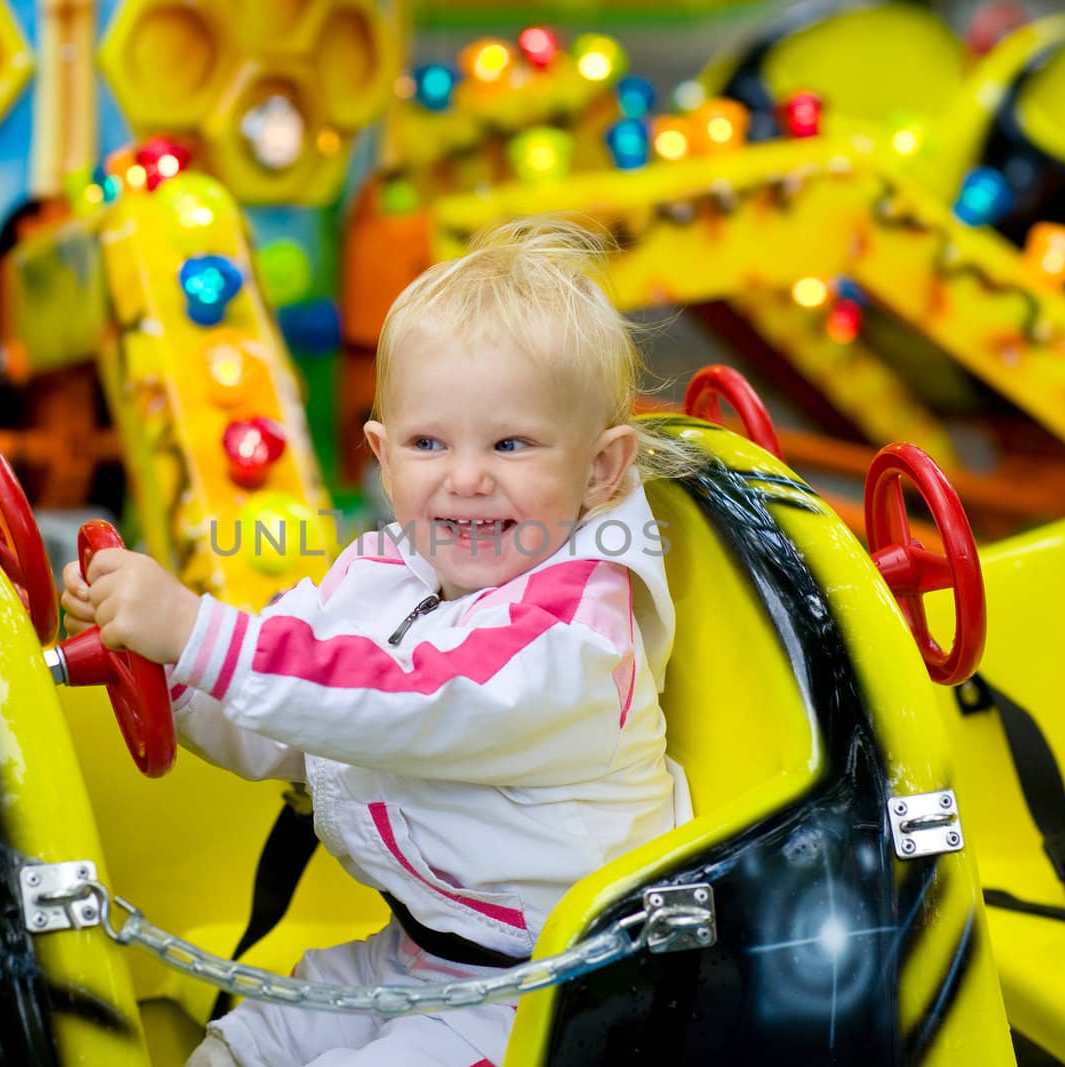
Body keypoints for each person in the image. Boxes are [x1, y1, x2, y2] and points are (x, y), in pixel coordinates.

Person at [62, 217, 698, 1066]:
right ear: (382, 457)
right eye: (428, 443)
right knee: (247, 1042)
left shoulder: (574, 634)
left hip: (551, 995)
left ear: (598, 469)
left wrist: (197, 631)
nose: (465, 476)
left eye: (511, 444)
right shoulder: (385, 571)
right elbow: (295, 716)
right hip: (424, 948)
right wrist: (170, 672)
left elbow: (407, 697)